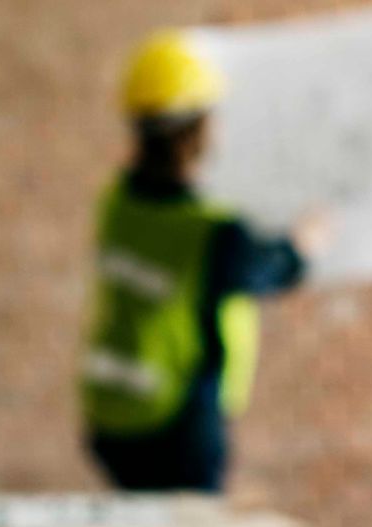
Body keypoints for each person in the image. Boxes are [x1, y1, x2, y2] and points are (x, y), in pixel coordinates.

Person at [80, 30, 328, 494]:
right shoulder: (212, 230)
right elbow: (267, 269)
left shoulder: (116, 202)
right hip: (177, 416)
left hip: (111, 410)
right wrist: (301, 245)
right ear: (195, 130)